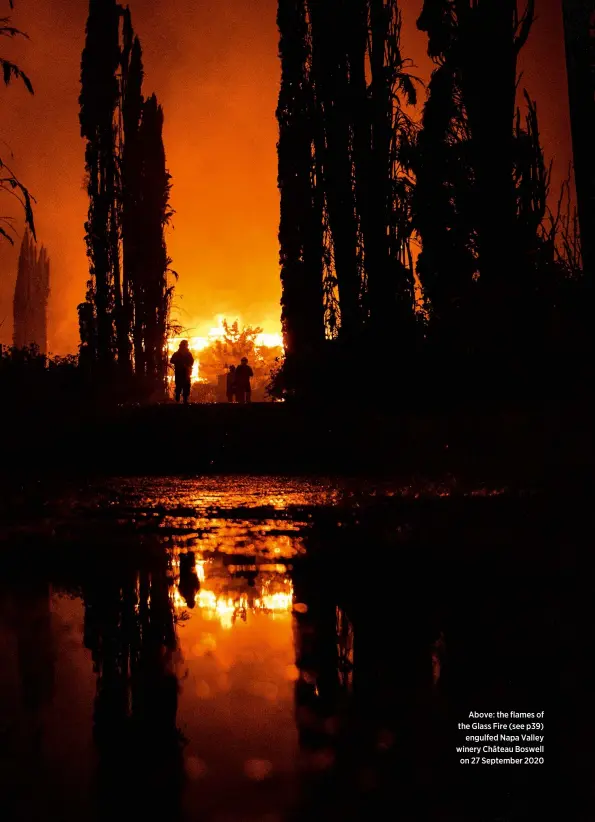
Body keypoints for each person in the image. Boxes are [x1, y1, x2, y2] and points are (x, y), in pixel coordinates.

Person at [170, 340, 194, 404]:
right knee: (179, 386)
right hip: (179, 373)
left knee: (186, 386)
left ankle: (184, 400)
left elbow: (192, 362)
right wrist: (178, 362)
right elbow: (172, 360)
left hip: (186, 373)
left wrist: (187, 365)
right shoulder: (177, 354)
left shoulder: (188, 354)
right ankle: (177, 399)